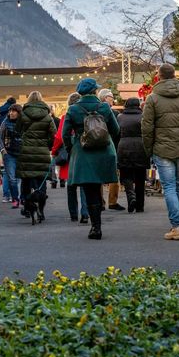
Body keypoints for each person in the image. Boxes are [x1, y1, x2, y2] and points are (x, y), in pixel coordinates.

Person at [142, 63, 179, 240]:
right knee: (178, 186)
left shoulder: (152, 98)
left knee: (168, 186)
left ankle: (176, 226)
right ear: (174, 75)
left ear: (158, 76)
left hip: (162, 149)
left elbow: (146, 127)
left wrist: (148, 149)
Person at [63, 78, 120, 240]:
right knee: (97, 186)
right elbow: (116, 130)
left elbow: (65, 134)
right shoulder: (104, 107)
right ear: (95, 91)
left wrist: (72, 148)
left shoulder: (73, 109)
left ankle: (95, 227)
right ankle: (97, 225)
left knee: (89, 190)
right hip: (104, 152)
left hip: (83, 153)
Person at [17, 91, 56, 220]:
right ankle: (41, 210)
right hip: (42, 152)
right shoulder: (47, 116)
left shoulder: (23, 114)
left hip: (26, 152)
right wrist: (47, 145)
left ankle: (27, 208)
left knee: (26, 181)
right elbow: (53, 135)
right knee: (41, 182)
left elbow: (17, 130)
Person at [53, 92, 89, 222]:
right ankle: (85, 212)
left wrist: (55, 151)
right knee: (84, 184)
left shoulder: (66, 116)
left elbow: (60, 136)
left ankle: (73, 213)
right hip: (85, 151)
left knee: (71, 185)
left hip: (71, 154)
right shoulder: (87, 114)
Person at [117, 97, 148, 213]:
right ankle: (140, 206)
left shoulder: (120, 117)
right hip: (141, 147)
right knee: (140, 178)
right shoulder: (143, 116)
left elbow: (116, 133)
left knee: (126, 175)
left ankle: (131, 197)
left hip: (124, 147)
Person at [98, 88, 125, 212]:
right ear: (104, 98)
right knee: (114, 175)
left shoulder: (94, 111)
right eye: (110, 96)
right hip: (111, 146)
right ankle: (112, 201)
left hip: (96, 147)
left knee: (98, 176)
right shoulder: (113, 114)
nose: (112, 98)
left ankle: (100, 202)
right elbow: (117, 131)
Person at [0, 103, 23, 208]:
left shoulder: (23, 123)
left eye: (13, 111)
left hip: (22, 153)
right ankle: (15, 199)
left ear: (19, 113)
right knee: (12, 178)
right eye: (10, 111)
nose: (11, 113)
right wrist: (3, 150)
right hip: (9, 154)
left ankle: (23, 198)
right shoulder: (5, 122)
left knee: (22, 178)